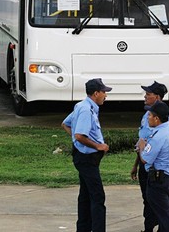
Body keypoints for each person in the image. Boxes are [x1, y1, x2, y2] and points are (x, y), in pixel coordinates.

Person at [62, 78, 111, 232]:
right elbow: (79, 135)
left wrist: (77, 141)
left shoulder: (84, 106)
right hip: (87, 158)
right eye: (104, 92)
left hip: (85, 157)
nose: (106, 96)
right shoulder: (85, 109)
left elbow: (66, 123)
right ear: (96, 93)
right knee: (97, 196)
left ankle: (83, 228)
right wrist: (98, 145)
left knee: (85, 195)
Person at [131, 81, 169, 232]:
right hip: (146, 165)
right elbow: (141, 143)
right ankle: (149, 227)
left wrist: (142, 157)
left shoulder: (165, 120)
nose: (145, 96)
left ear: (157, 97)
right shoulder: (148, 115)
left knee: (161, 205)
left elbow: (149, 147)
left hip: (157, 169)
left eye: (148, 94)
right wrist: (136, 165)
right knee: (148, 199)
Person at [138, 101, 169, 232]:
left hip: (159, 180)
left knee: (164, 216)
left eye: (150, 116)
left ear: (157, 119)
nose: (148, 118)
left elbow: (146, 159)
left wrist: (142, 147)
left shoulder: (158, 135)